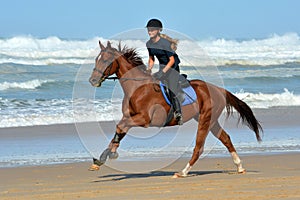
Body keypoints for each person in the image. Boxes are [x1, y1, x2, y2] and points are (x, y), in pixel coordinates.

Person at [146, 18, 183, 125]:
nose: (150, 32)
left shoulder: (165, 43)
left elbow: (171, 60)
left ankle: (178, 113)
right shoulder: (148, 44)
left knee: (171, 88)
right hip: (162, 67)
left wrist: (163, 73)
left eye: (152, 30)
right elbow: (151, 59)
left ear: (158, 30)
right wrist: (149, 69)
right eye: (148, 30)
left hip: (172, 68)